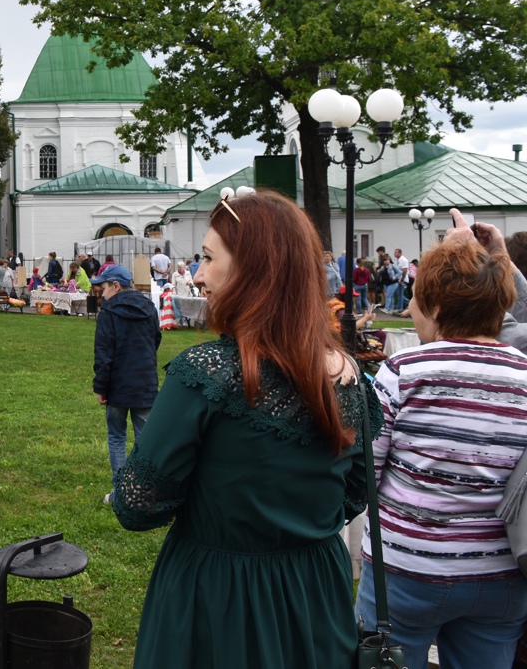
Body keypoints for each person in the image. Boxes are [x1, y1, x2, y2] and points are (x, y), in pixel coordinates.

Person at [112, 189, 374, 668]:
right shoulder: (347, 375)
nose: (198, 274)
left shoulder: (205, 374)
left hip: (219, 598)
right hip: (315, 593)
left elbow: (136, 506)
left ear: (254, 270)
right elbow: (355, 491)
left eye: (209, 258)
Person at [357, 216, 527, 669]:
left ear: (434, 306)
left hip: (408, 573)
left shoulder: (404, 372)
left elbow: (364, 474)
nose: (410, 311)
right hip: (503, 575)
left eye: (414, 301)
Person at [92, 264, 160, 504]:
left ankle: (123, 493)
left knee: (117, 437)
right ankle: (143, 492)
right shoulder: (149, 308)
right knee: (145, 440)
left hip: (118, 385)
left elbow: (103, 354)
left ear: (116, 286)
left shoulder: (109, 313)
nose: (101, 292)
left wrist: (101, 387)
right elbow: (155, 340)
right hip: (145, 383)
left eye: (103, 287)